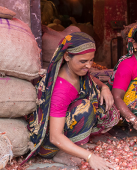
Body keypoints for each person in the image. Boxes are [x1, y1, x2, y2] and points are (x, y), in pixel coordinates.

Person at [22, 32, 119, 170]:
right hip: (50, 143)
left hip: (61, 126)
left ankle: (76, 145)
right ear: (67, 56)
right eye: (83, 61)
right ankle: (61, 153)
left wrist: (104, 88)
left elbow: (92, 79)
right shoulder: (61, 90)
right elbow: (55, 137)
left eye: (91, 60)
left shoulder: (78, 72)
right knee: (85, 107)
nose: (89, 66)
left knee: (103, 103)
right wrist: (90, 157)